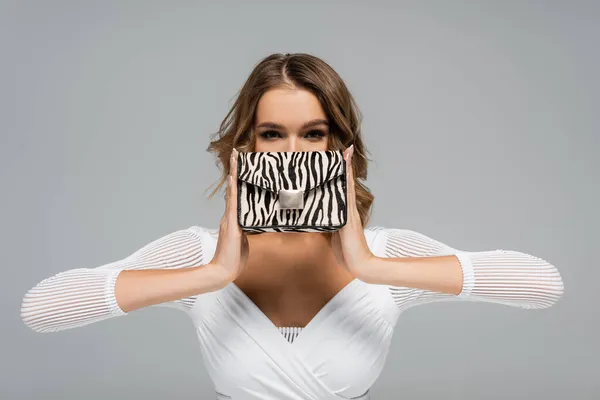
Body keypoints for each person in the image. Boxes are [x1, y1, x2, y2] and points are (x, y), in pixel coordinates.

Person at [20, 53, 565, 400]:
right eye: (272, 134)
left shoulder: (387, 255)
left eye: (314, 133)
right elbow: (40, 310)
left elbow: (544, 286)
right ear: (245, 148)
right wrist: (214, 274)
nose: (292, 153)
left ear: (341, 149)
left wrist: (369, 266)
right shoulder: (198, 255)